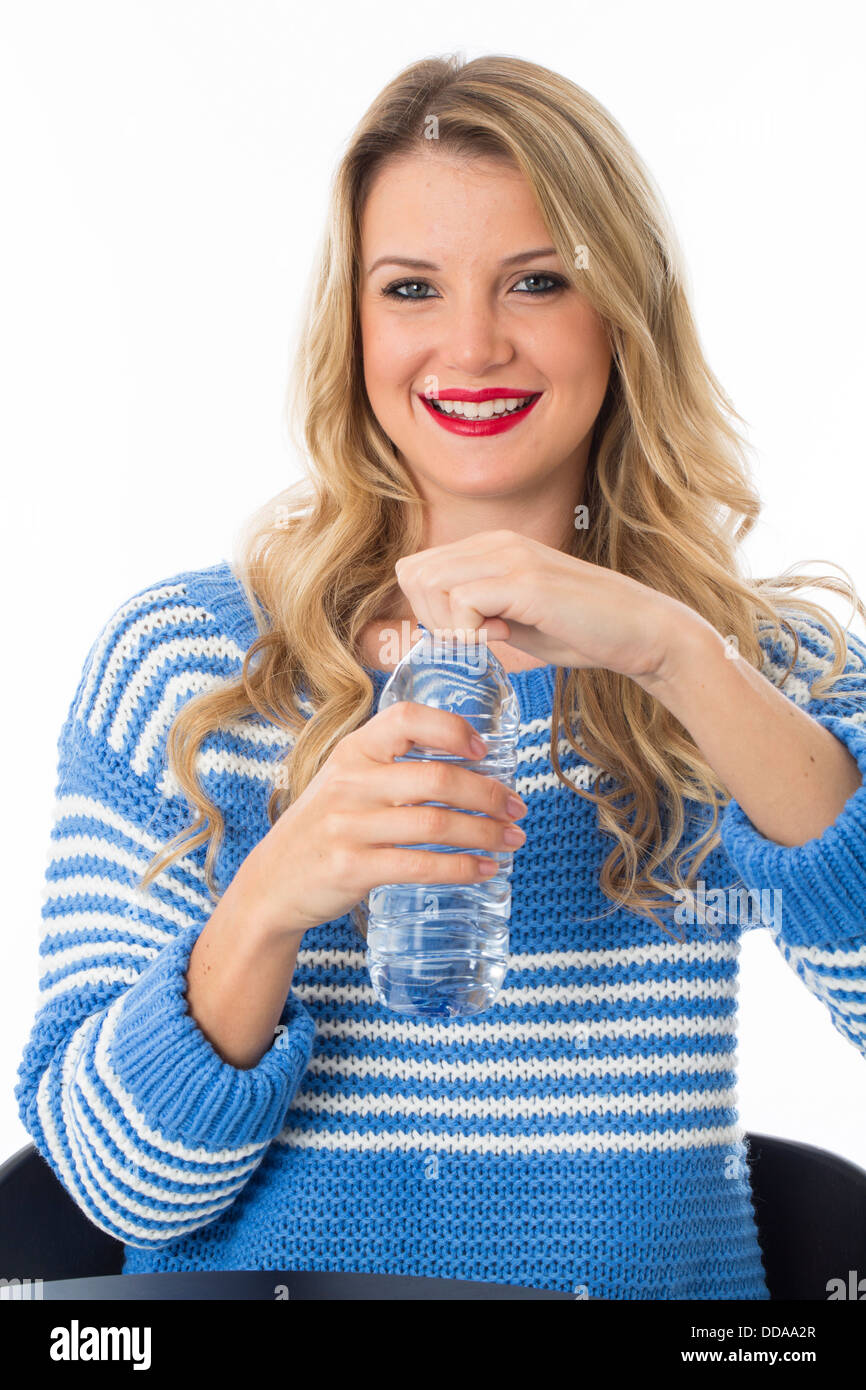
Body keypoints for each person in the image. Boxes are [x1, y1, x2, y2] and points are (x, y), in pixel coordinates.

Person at [15, 52, 866, 1299]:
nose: (470, 345)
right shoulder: (192, 667)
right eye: (410, 288)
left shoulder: (758, 671)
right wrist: (268, 898)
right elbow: (110, 1187)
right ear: (353, 325)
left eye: (536, 281)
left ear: (619, 310)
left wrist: (676, 652)